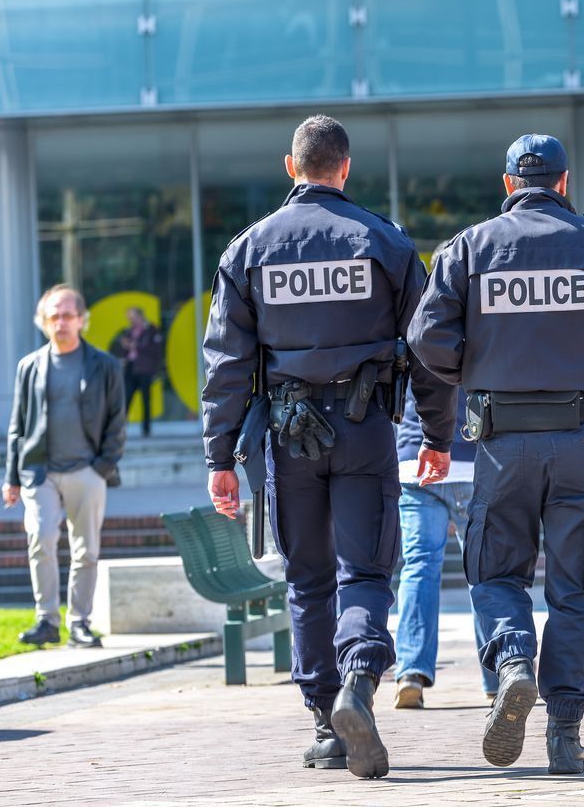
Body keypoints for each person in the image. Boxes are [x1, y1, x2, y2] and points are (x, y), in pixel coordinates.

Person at [200, 115, 455, 780]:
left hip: (287, 436)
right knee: (365, 572)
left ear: (293, 167)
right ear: (345, 168)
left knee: (309, 579)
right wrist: (436, 434)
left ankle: (326, 723)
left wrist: (219, 459)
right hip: (366, 424)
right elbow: (430, 352)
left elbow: (226, 364)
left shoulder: (248, 249)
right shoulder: (386, 243)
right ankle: (360, 682)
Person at [409, 133, 584, 775]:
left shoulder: (469, 248)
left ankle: (512, 661)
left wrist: (478, 364)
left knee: (496, 572)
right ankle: (564, 734)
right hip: (583, 441)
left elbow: (425, 337)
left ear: (507, 185)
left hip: (499, 443)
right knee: (578, 586)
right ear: (564, 182)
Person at [4, 285, 126, 649]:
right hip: (40, 473)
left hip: (87, 471)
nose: (61, 322)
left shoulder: (105, 365)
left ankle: (80, 623)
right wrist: (11, 477)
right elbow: (18, 426)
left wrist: (101, 467)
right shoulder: (30, 366)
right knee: (40, 537)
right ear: (44, 321)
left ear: (81, 320)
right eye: (54, 316)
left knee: (85, 549)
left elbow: (117, 423)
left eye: (67, 315)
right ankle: (46, 620)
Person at [393, 386, 499, 708]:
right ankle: (498, 673)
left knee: (419, 567)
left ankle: (411, 673)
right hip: (474, 459)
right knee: (484, 571)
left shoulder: (410, 332)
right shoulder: (484, 332)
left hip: (416, 459)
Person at [110, 307, 164, 437]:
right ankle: (121, 428)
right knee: (126, 398)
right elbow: (124, 350)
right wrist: (125, 346)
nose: (131, 321)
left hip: (145, 369)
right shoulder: (129, 331)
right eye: (129, 318)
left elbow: (155, 351)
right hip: (131, 368)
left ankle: (146, 429)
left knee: (146, 400)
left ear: (141, 316)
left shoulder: (151, 330)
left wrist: (136, 346)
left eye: (133, 318)